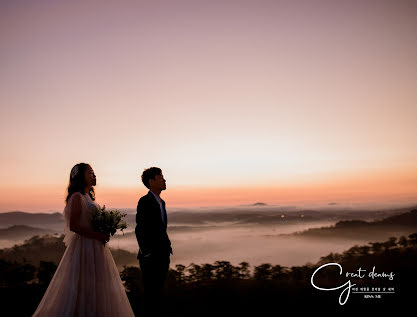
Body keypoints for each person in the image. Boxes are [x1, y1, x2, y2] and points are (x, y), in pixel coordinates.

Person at [32, 163, 135, 317]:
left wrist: (104, 229)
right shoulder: (77, 197)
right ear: (81, 176)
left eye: (94, 172)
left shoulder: (88, 197)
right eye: (90, 173)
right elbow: (74, 226)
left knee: (98, 286)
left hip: (96, 246)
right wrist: (97, 235)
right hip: (85, 246)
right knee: (83, 285)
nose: (94, 175)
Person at [135, 167, 173, 316]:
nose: (164, 180)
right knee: (151, 296)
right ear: (151, 181)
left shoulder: (161, 202)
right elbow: (140, 228)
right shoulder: (144, 201)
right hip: (150, 257)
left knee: (159, 294)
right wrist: (147, 252)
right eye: (160, 177)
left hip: (163, 255)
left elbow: (161, 229)